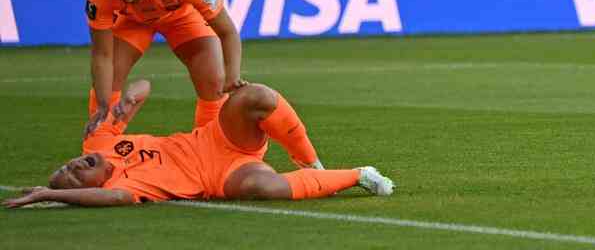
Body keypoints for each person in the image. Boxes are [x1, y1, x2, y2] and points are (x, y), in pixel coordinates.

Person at [3, 79, 393, 208]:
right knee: (266, 188)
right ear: (90, 190)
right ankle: (359, 174)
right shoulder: (124, 188)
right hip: (222, 176)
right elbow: (114, 200)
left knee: (257, 95)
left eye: (64, 167)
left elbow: (144, 86)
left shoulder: (100, 139)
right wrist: (45, 194)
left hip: (214, 137)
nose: (71, 168)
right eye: (72, 181)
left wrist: (123, 104)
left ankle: (312, 164)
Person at [83, 0, 243, 137]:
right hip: (133, 21)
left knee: (212, 78)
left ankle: (209, 144)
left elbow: (227, 32)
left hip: (179, 17)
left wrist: (232, 77)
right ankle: (100, 144)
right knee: (110, 78)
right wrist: (103, 104)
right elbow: (102, 54)